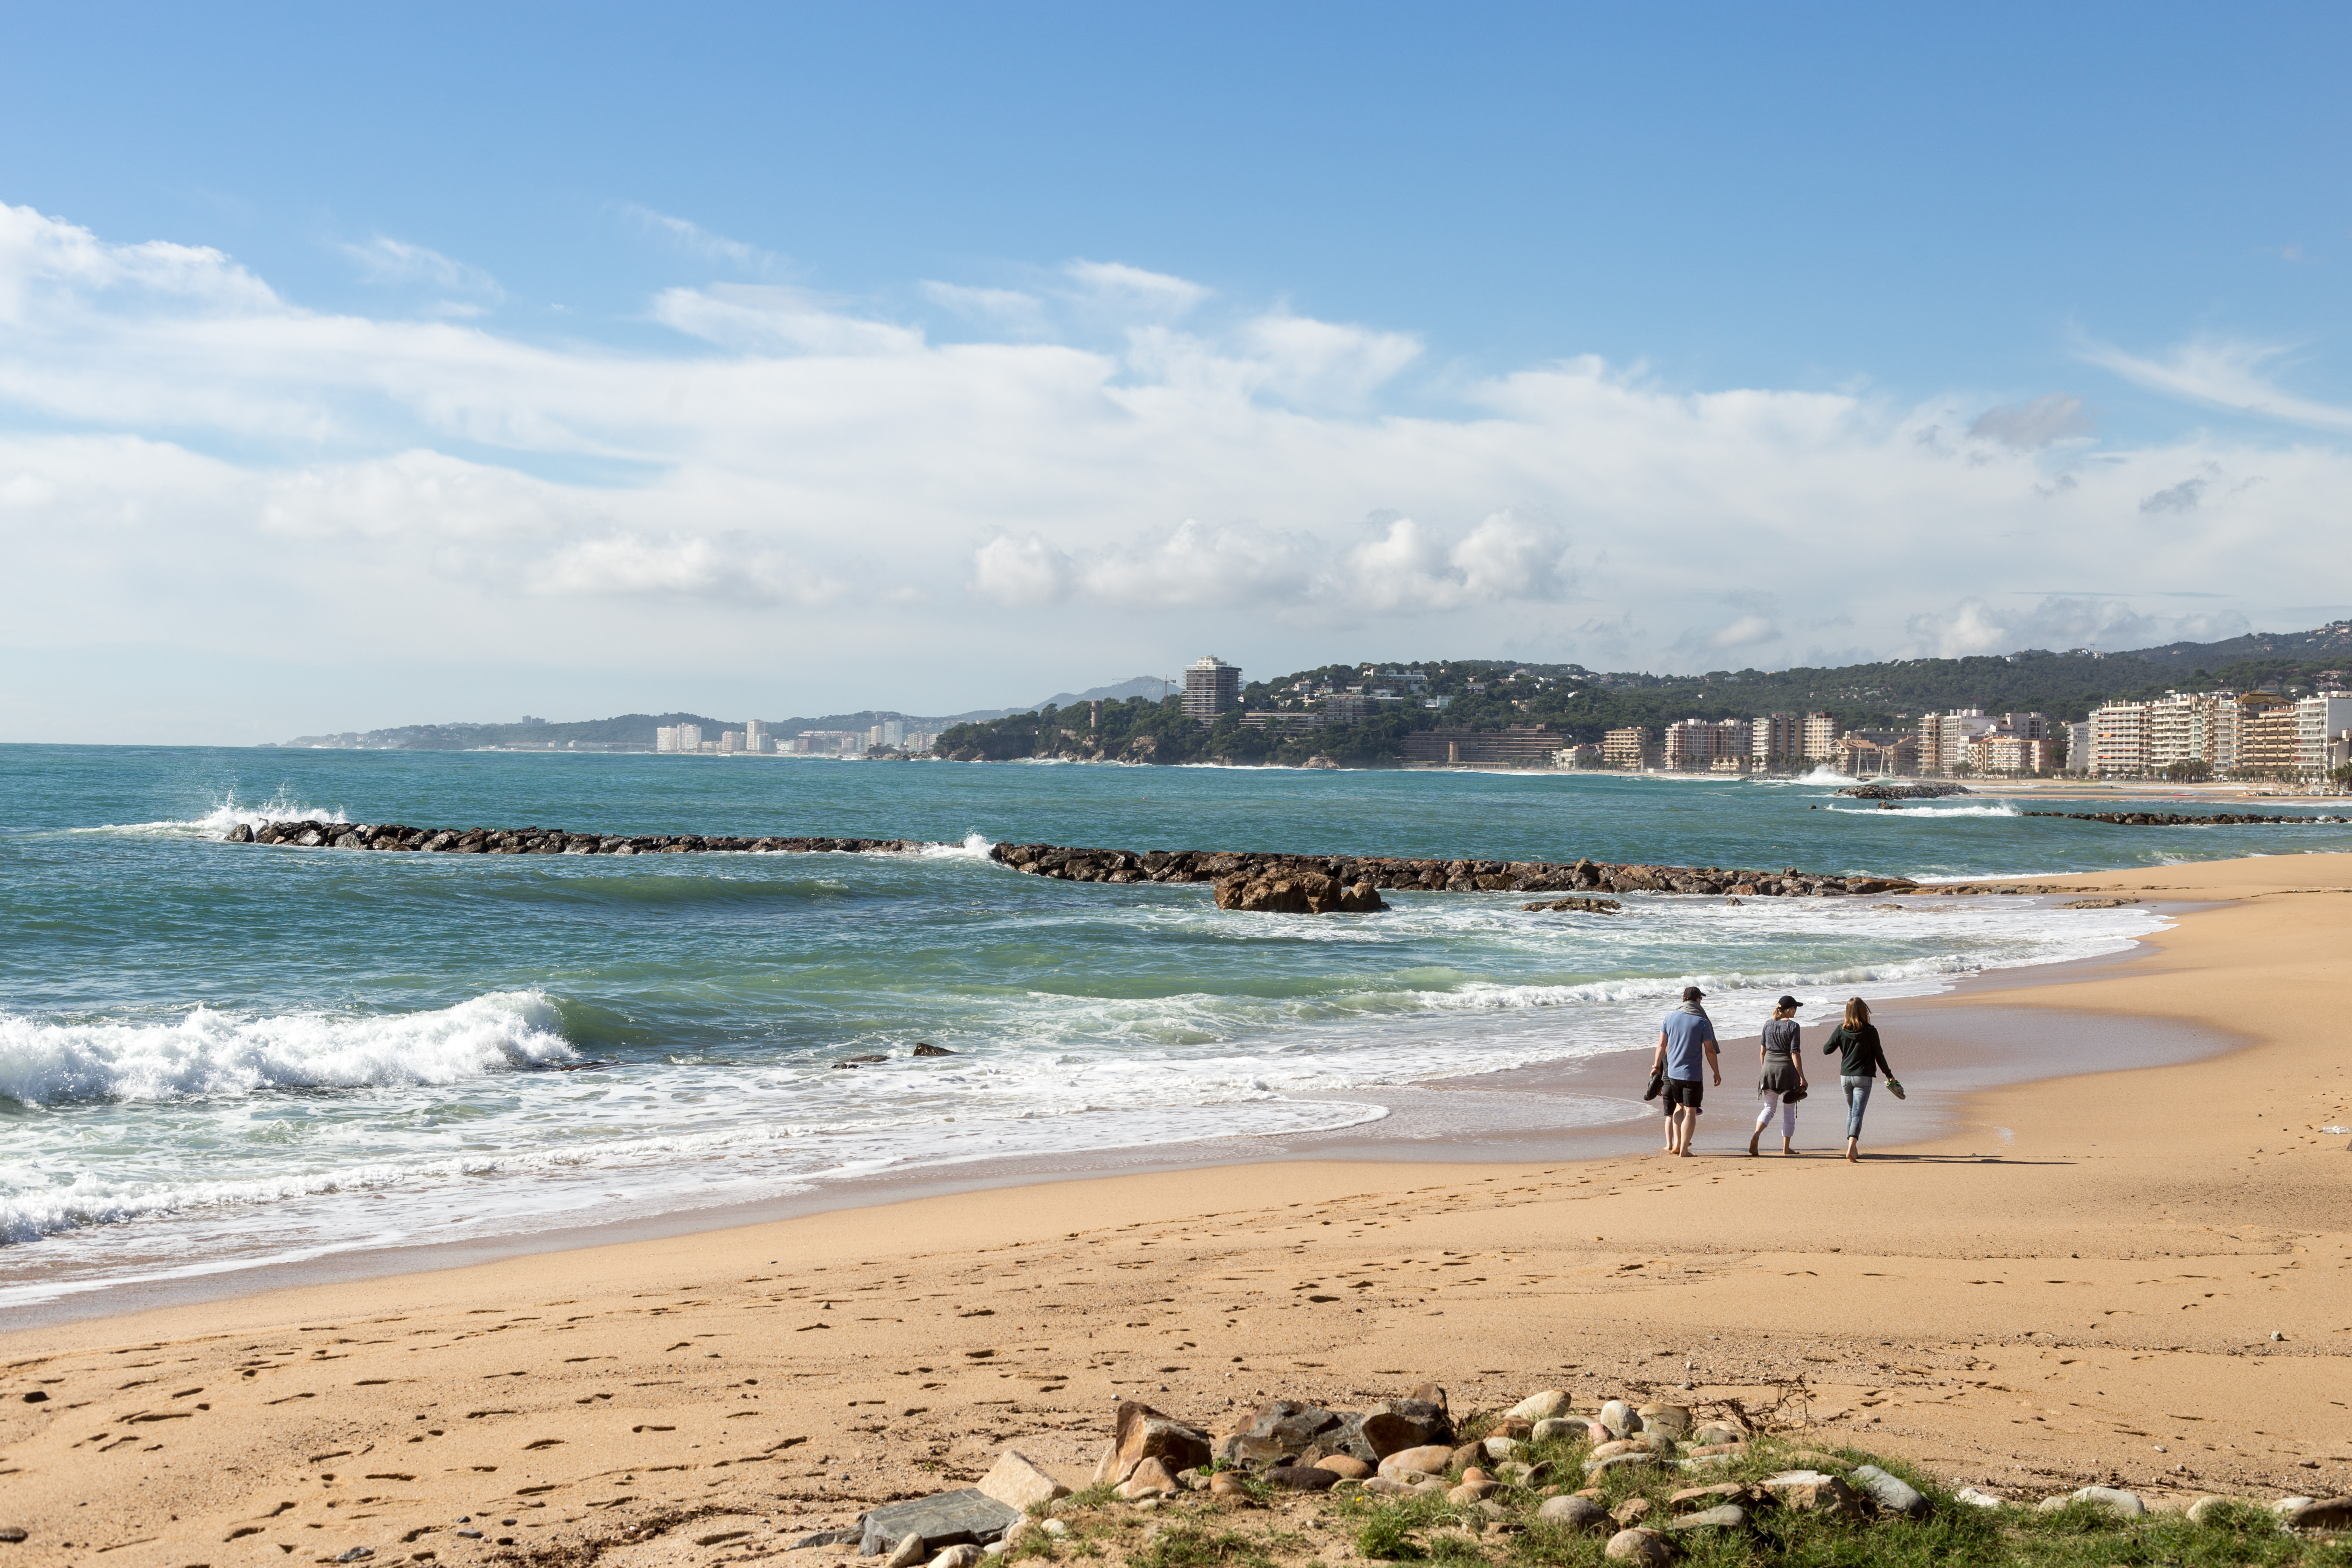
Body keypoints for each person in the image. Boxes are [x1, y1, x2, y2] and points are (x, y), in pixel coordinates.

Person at [1648, 985, 1720, 1157]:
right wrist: (1716, 1072)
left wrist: (1656, 1067)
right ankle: (1684, 1151)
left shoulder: (1670, 1017)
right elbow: (1710, 1050)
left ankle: (1677, 1144)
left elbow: (1661, 1045)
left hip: (1673, 1073)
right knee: (1691, 1111)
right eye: (1700, 999)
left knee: (1679, 1107)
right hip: (1692, 1074)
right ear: (1698, 1000)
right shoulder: (1702, 1021)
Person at [1822, 996, 1896, 1162]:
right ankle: (1851, 1148)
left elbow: (1827, 1050)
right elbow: (1879, 1055)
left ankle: (1853, 1149)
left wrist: (1840, 1040)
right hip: (1863, 1077)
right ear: (1863, 1012)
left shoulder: (1840, 1030)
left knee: (1851, 1111)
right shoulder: (1871, 1031)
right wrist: (1889, 1075)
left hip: (1845, 1077)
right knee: (1857, 1113)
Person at [1749, 994, 1809, 1157]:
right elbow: (1794, 1053)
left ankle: (1756, 1135)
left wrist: (1765, 1070)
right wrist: (1802, 1077)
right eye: (1795, 1008)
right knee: (1789, 1111)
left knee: (1769, 1108)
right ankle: (1786, 1148)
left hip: (1769, 1069)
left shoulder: (1768, 1024)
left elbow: (1762, 1052)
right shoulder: (1793, 1026)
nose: (1796, 1011)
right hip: (1788, 1071)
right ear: (1789, 1010)